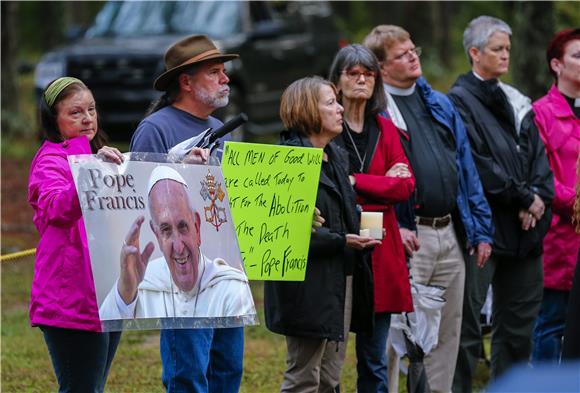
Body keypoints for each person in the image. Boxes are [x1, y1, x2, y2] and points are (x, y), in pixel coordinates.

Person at [363, 25, 494, 393]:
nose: (413, 56)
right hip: (404, 233)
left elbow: (466, 170)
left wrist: (481, 229)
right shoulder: (376, 112)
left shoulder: (439, 103)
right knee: (392, 334)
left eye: (413, 48)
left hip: (449, 231)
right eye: (402, 54)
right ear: (382, 67)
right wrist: (391, 227)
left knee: (445, 331)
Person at [129, 34, 243, 393]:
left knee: (228, 370)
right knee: (188, 374)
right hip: (182, 272)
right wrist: (180, 171)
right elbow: (141, 197)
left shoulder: (216, 130)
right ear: (186, 81)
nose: (225, 79)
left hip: (223, 269)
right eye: (215, 72)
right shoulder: (156, 128)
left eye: (224, 71)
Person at [448, 16, 555, 389]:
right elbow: (477, 164)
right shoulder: (458, 102)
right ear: (475, 53)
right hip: (485, 231)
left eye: (508, 48)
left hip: (527, 233)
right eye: (497, 49)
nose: (505, 55)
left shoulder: (517, 100)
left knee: (518, 330)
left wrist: (538, 198)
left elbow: (538, 158)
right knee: (467, 327)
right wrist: (523, 196)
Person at [264, 76, 381, 393]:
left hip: (340, 278)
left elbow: (339, 215)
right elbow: (283, 232)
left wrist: (358, 230)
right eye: (330, 103)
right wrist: (341, 239)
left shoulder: (336, 156)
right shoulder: (286, 162)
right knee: (304, 377)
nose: (341, 109)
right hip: (305, 285)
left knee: (330, 378)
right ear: (307, 110)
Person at [328, 44, 415, 393]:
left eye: (368, 73)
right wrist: (382, 183)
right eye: (353, 73)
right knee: (329, 359)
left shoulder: (385, 127)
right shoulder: (326, 127)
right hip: (339, 246)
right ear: (337, 81)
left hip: (381, 250)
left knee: (374, 359)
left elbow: (406, 186)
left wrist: (354, 180)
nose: (362, 79)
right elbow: (329, 188)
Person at [28, 77, 124, 392]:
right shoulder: (50, 161)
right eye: (75, 112)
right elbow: (55, 207)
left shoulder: (102, 157)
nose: (87, 119)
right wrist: (91, 173)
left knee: (92, 387)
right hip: (69, 301)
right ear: (54, 120)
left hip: (107, 294)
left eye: (92, 110)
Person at [99, 166, 254, 320]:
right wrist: (125, 290)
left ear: (197, 227)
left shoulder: (230, 289)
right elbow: (105, 335)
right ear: (157, 235)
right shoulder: (139, 286)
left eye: (183, 227)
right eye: (166, 230)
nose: (179, 247)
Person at [531, 28, 580, 364]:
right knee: (552, 322)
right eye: (578, 56)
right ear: (556, 65)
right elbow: (542, 176)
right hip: (559, 237)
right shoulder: (541, 113)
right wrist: (577, 204)